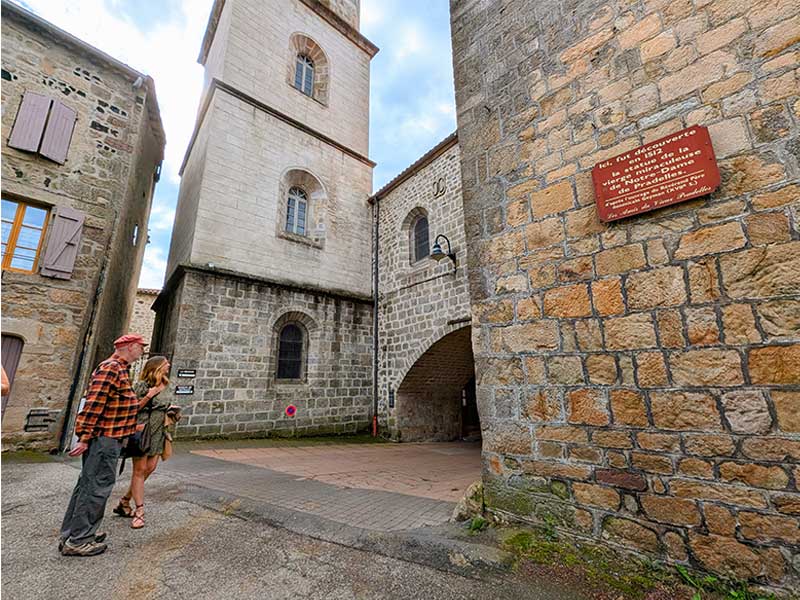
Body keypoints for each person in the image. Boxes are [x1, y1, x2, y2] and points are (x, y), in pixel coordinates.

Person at [59, 334, 151, 557]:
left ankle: (76, 533)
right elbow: (94, 404)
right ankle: (79, 540)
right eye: (140, 347)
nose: (142, 352)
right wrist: (83, 437)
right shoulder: (111, 368)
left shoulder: (119, 369)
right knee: (96, 489)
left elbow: (113, 405)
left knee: (88, 486)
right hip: (104, 440)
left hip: (108, 439)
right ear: (130, 347)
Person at [112, 355, 170, 529]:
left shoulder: (167, 385)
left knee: (150, 468)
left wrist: (172, 413)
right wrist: (148, 396)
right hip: (143, 432)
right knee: (139, 470)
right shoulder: (141, 386)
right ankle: (139, 511)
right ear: (157, 367)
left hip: (159, 432)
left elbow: (166, 406)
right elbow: (133, 409)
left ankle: (125, 500)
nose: (169, 366)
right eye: (166, 364)